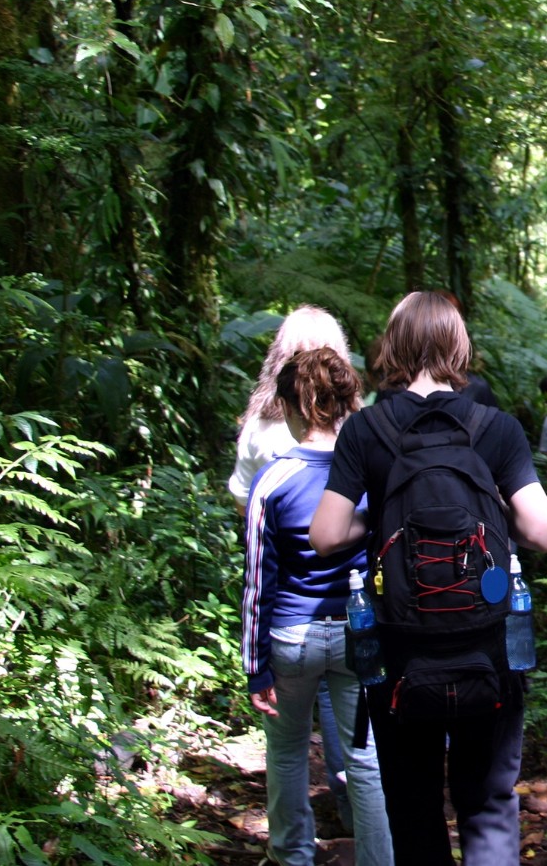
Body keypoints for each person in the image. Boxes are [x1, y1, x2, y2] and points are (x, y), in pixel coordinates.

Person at [311, 291, 547, 865]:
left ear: (392, 346)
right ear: (458, 344)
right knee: (489, 802)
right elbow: (542, 533)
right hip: (488, 644)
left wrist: (383, 516)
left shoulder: (365, 431)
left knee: (414, 805)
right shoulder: (495, 428)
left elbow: (325, 536)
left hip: (398, 651)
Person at [241, 348, 392, 866]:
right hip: (358, 634)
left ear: (293, 406)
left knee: (285, 753)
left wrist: (254, 666)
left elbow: (258, 581)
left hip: (290, 638)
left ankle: (292, 858)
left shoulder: (273, 481)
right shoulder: (371, 474)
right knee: (366, 761)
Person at [229, 305, 358, 830]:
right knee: (354, 735)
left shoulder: (262, 428)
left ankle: (292, 847)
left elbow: (246, 505)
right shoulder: (360, 433)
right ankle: (358, 822)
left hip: (286, 608)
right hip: (349, 609)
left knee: (286, 741)